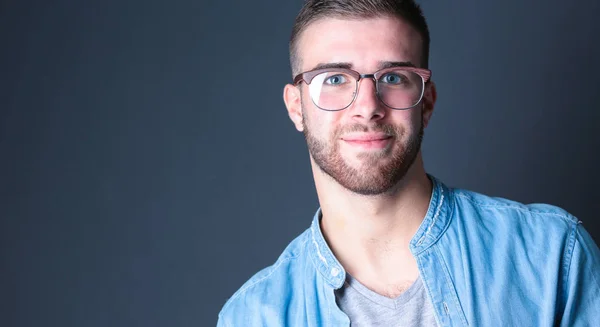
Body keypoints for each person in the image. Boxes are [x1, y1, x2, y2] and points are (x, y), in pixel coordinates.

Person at [217, 0, 600, 326]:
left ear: (427, 102)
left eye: (394, 77)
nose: (367, 107)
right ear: (296, 106)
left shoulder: (551, 258)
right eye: (334, 79)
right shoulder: (252, 317)